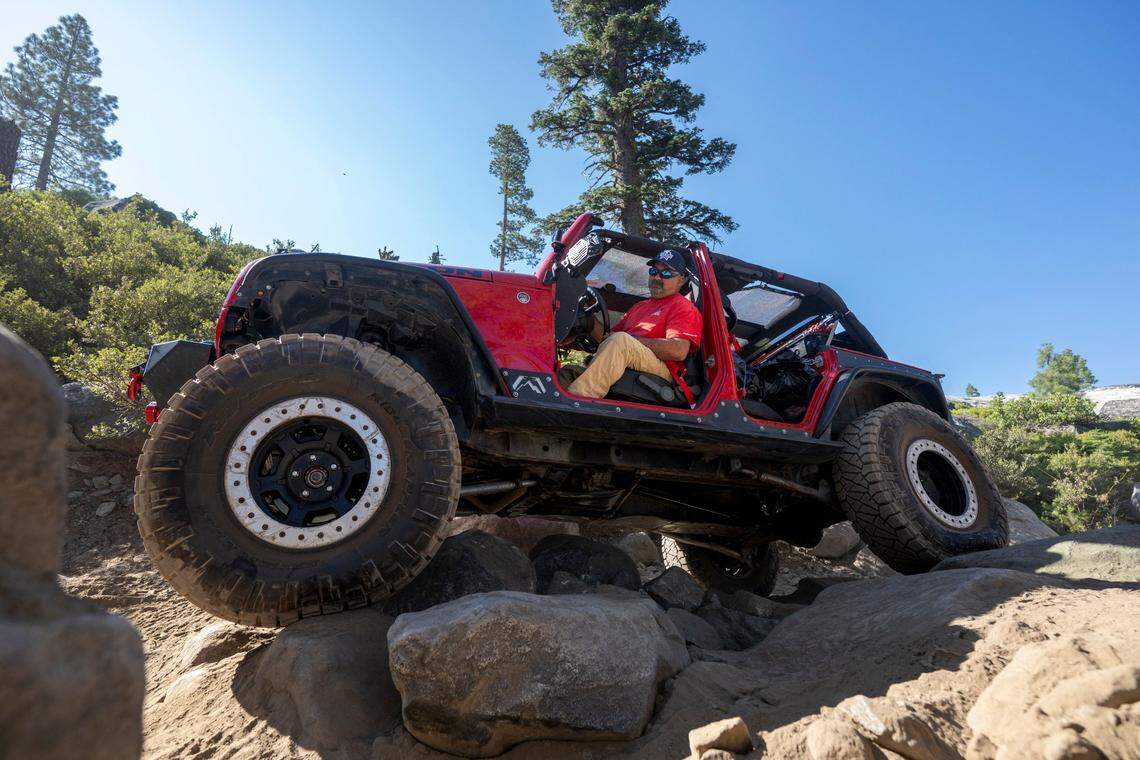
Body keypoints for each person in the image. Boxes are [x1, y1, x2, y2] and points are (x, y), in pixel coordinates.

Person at [563, 248, 703, 399]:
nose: (657, 277)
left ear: (681, 280)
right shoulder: (639, 307)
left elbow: (678, 351)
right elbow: (608, 339)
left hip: (663, 370)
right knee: (568, 374)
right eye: (653, 272)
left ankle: (578, 402)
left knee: (621, 341)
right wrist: (588, 321)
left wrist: (633, 340)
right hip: (626, 355)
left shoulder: (683, 307)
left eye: (666, 274)